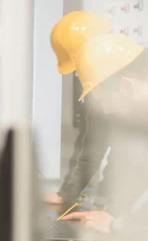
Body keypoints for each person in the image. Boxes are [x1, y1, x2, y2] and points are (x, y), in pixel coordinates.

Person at [60, 33, 148, 237]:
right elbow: (137, 171)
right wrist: (108, 213)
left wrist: (118, 225)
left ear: (126, 87)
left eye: (108, 106)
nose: (108, 115)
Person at [45, 11, 114, 205]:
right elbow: (91, 144)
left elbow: (130, 155)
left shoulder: (125, 85)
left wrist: (112, 210)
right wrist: (66, 194)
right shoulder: (97, 85)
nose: (80, 75)